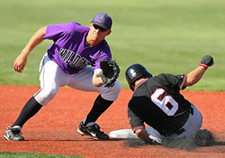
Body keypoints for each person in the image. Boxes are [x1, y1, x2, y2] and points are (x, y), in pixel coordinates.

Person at [4, 13, 121, 141]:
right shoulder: (72, 30)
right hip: (53, 64)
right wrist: (24, 54)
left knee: (114, 87)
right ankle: (14, 128)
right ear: (91, 25)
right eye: (96, 26)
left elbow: (95, 80)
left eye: (102, 29)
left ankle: (87, 125)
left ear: (108, 32)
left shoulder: (104, 52)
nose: (97, 31)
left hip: (75, 73)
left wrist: (104, 80)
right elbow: (43, 32)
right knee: (49, 91)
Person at [109, 55, 214, 146]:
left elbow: (140, 132)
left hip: (178, 137)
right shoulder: (161, 78)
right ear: (147, 74)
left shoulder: (134, 102)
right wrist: (204, 65)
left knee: (149, 132)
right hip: (196, 118)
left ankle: (190, 138)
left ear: (131, 85)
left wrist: (149, 141)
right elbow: (190, 80)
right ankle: (196, 134)